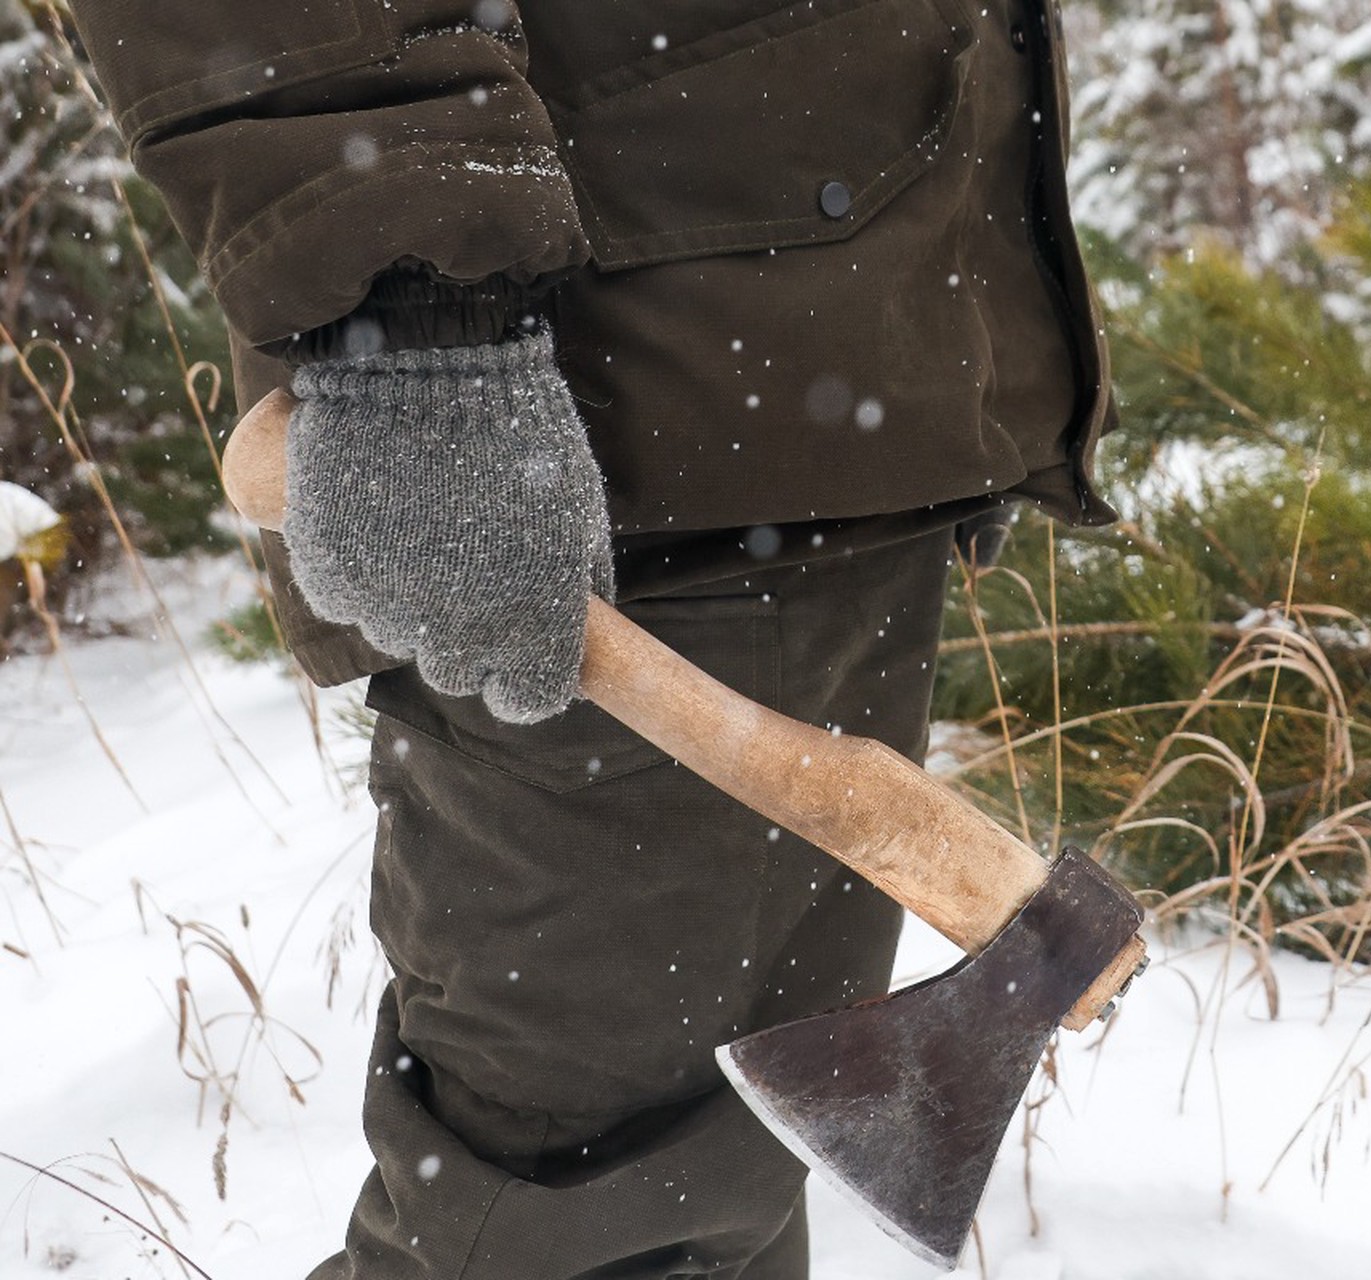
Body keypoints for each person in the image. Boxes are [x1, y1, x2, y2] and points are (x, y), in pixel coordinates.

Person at [62, 1, 1115, 1275]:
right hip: (609, 433)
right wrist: (413, 316)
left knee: (709, 1199)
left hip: (823, 385)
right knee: (581, 1212)